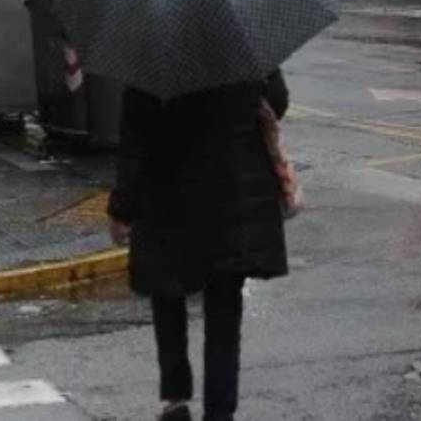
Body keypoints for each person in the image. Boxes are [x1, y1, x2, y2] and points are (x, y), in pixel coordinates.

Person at [108, 70, 292, 421]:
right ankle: (219, 411)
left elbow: (134, 142)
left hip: (168, 197)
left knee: (167, 294)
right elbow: (278, 101)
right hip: (231, 194)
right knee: (224, 309)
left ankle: (176, 399)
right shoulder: (244, 43)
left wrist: (122, 210)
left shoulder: (152, 55)